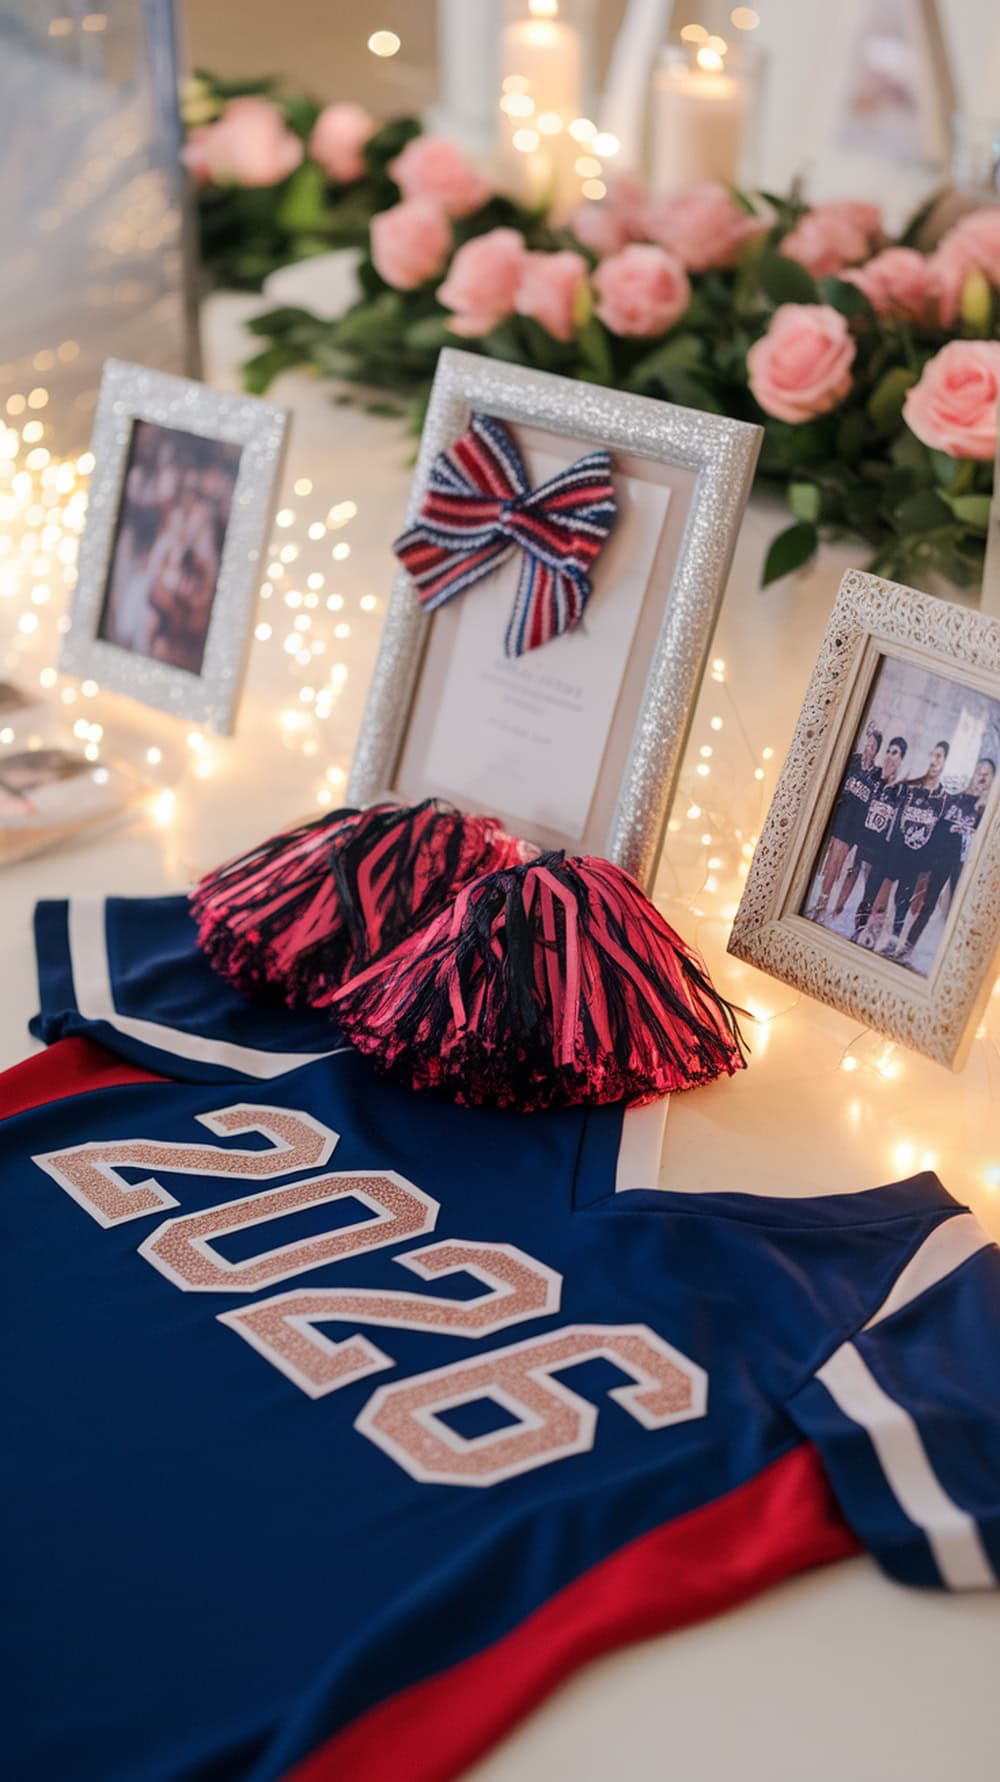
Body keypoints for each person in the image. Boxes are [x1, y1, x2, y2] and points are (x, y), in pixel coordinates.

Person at [894, 756, 996, 966]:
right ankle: (908, 946)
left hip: (967, 867)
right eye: (980, 771)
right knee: (928, 904)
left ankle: (952, 958)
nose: (982, 777)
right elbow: (938, 830)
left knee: (960, 911)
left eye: (987, 775)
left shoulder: (986, 811)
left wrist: (984, 806)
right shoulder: (954, 798)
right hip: (943, 861)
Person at [876, 740, 950, 958]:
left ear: (946, 762)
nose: (934, 761)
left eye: (939, 756)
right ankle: (882, 934)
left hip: (921, 856)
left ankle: (898, 941)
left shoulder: (944, 798)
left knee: (909, 899)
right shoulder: (911, 786)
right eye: (933, 755)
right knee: (890, 894)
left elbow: (941, 834)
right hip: (900, 849)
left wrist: (930, 865)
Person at [806, 724, 882, 923]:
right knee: (832, 860)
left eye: (873, 747)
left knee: (839, 863)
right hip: (841, 818)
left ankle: (826, 901)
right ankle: (822, 901)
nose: (868, 749)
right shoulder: (854, 762)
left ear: (876, 751)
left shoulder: (876, 775)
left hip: (854, 827)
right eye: (868, 744)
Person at [835, 734, 908, 935]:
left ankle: (860, 929)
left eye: (895, 753)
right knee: (851, 873)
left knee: (870, 891)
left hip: (880, 846)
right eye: (888, 751)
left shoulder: (901, 789)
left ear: (901, 758)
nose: (890, 756)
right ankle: (837, 910)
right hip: (863, 836)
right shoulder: (875, 775)